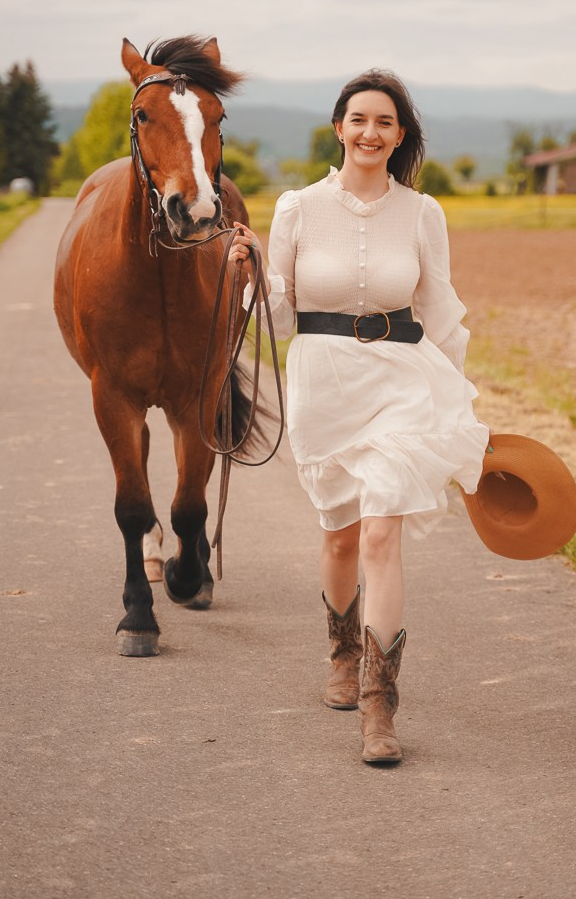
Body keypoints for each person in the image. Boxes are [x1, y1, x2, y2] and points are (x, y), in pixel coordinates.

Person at [229, 69, 490, 766]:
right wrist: (254, 276)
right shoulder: (298, 208)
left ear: (400, 135)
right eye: (358, 120)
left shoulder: (423, 213)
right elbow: (281, 318)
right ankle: (341, 652)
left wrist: (454, 403)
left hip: (404, 382)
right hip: (323, 382)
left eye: (384, 122)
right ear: (339, 129)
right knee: (341, 538)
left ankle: (380, 705)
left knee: (381, 534)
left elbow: (439, 313)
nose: (370, 132)